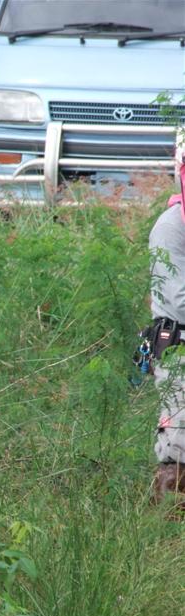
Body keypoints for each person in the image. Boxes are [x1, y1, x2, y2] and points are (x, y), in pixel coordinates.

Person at [147, 145, 185, 505]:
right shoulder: (171, 227)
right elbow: (178, 300)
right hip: (179, 350)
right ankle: (168, 529)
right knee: (180, 440)